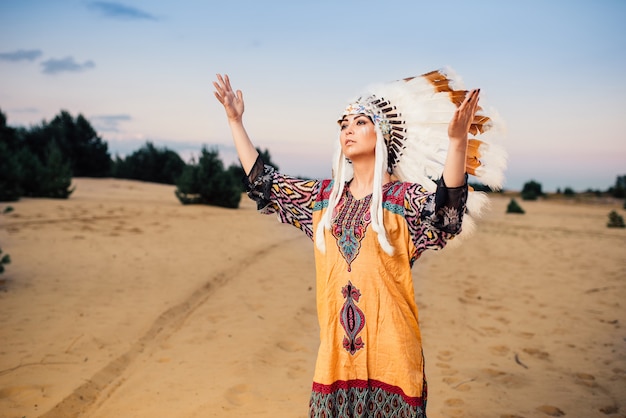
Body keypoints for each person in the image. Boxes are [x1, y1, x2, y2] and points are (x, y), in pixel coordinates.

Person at [213, 70, 505, 417]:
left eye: (360, 122)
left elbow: (447, 214)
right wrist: (235, 121)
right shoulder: (323, 199)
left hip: (393, 361)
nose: (348, 129)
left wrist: (457, 143)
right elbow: (265, 183)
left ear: (383, 135)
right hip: (335, 362)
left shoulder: (403, 199)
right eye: (343, 124)